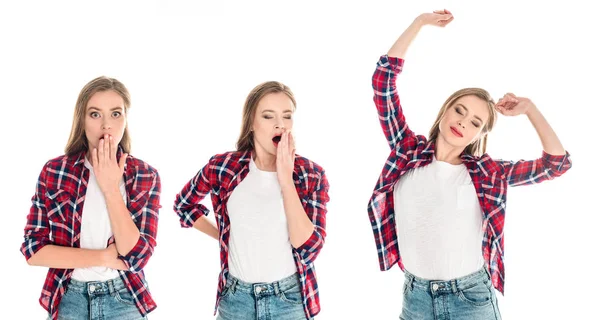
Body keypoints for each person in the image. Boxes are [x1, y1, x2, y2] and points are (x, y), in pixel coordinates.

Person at [367, 9, 572, 319]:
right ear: (445, 110)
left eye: (475, 121)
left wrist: (530, 109)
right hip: (416, 299)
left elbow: (556, 164)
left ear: (479, 134)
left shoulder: (487, 174)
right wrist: (419, 23)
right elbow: (383, 82)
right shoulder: (407, 152)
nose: (463, 123)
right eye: (460, 111)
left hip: (470, 300)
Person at [174, 81, 330, 320]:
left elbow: (308, 249)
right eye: (268, 116)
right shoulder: (223, 167)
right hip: (236, 301)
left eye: (287, 117)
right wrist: (225, 235)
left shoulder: (311, 175)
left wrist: (286, 181)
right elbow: (184, 205)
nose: (280, 124)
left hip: (288, 301)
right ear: (251, 124)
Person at [21, 77, 161, 320]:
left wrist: (110, 188)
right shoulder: (55, 171)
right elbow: (34, 250)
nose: (106, 125)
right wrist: (103, 258)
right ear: (82, 120)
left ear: (125, 120)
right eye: (95, 114)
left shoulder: (144, 175)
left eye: (115, 114)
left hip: (124, 299)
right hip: (69, 298)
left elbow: (137, 256)